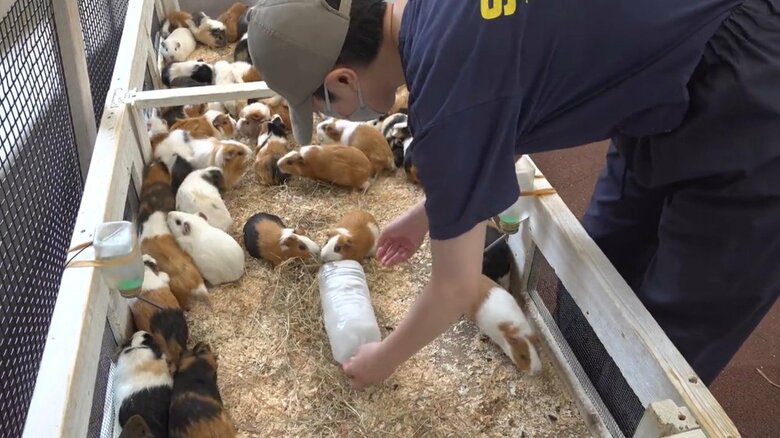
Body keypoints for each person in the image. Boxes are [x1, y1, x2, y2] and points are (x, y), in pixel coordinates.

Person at [247, 0, 780, 390]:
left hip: (750, 81)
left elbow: (454, 288)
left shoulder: (447, 91)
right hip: (663, 71)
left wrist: (380, 360)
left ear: (342, 80)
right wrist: (427, 214)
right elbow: (494, 103)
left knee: (675, 327)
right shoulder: (429, 19)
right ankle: (589, 388)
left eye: (328, 108)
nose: (343, 117)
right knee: (600, 263)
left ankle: (626, 410)